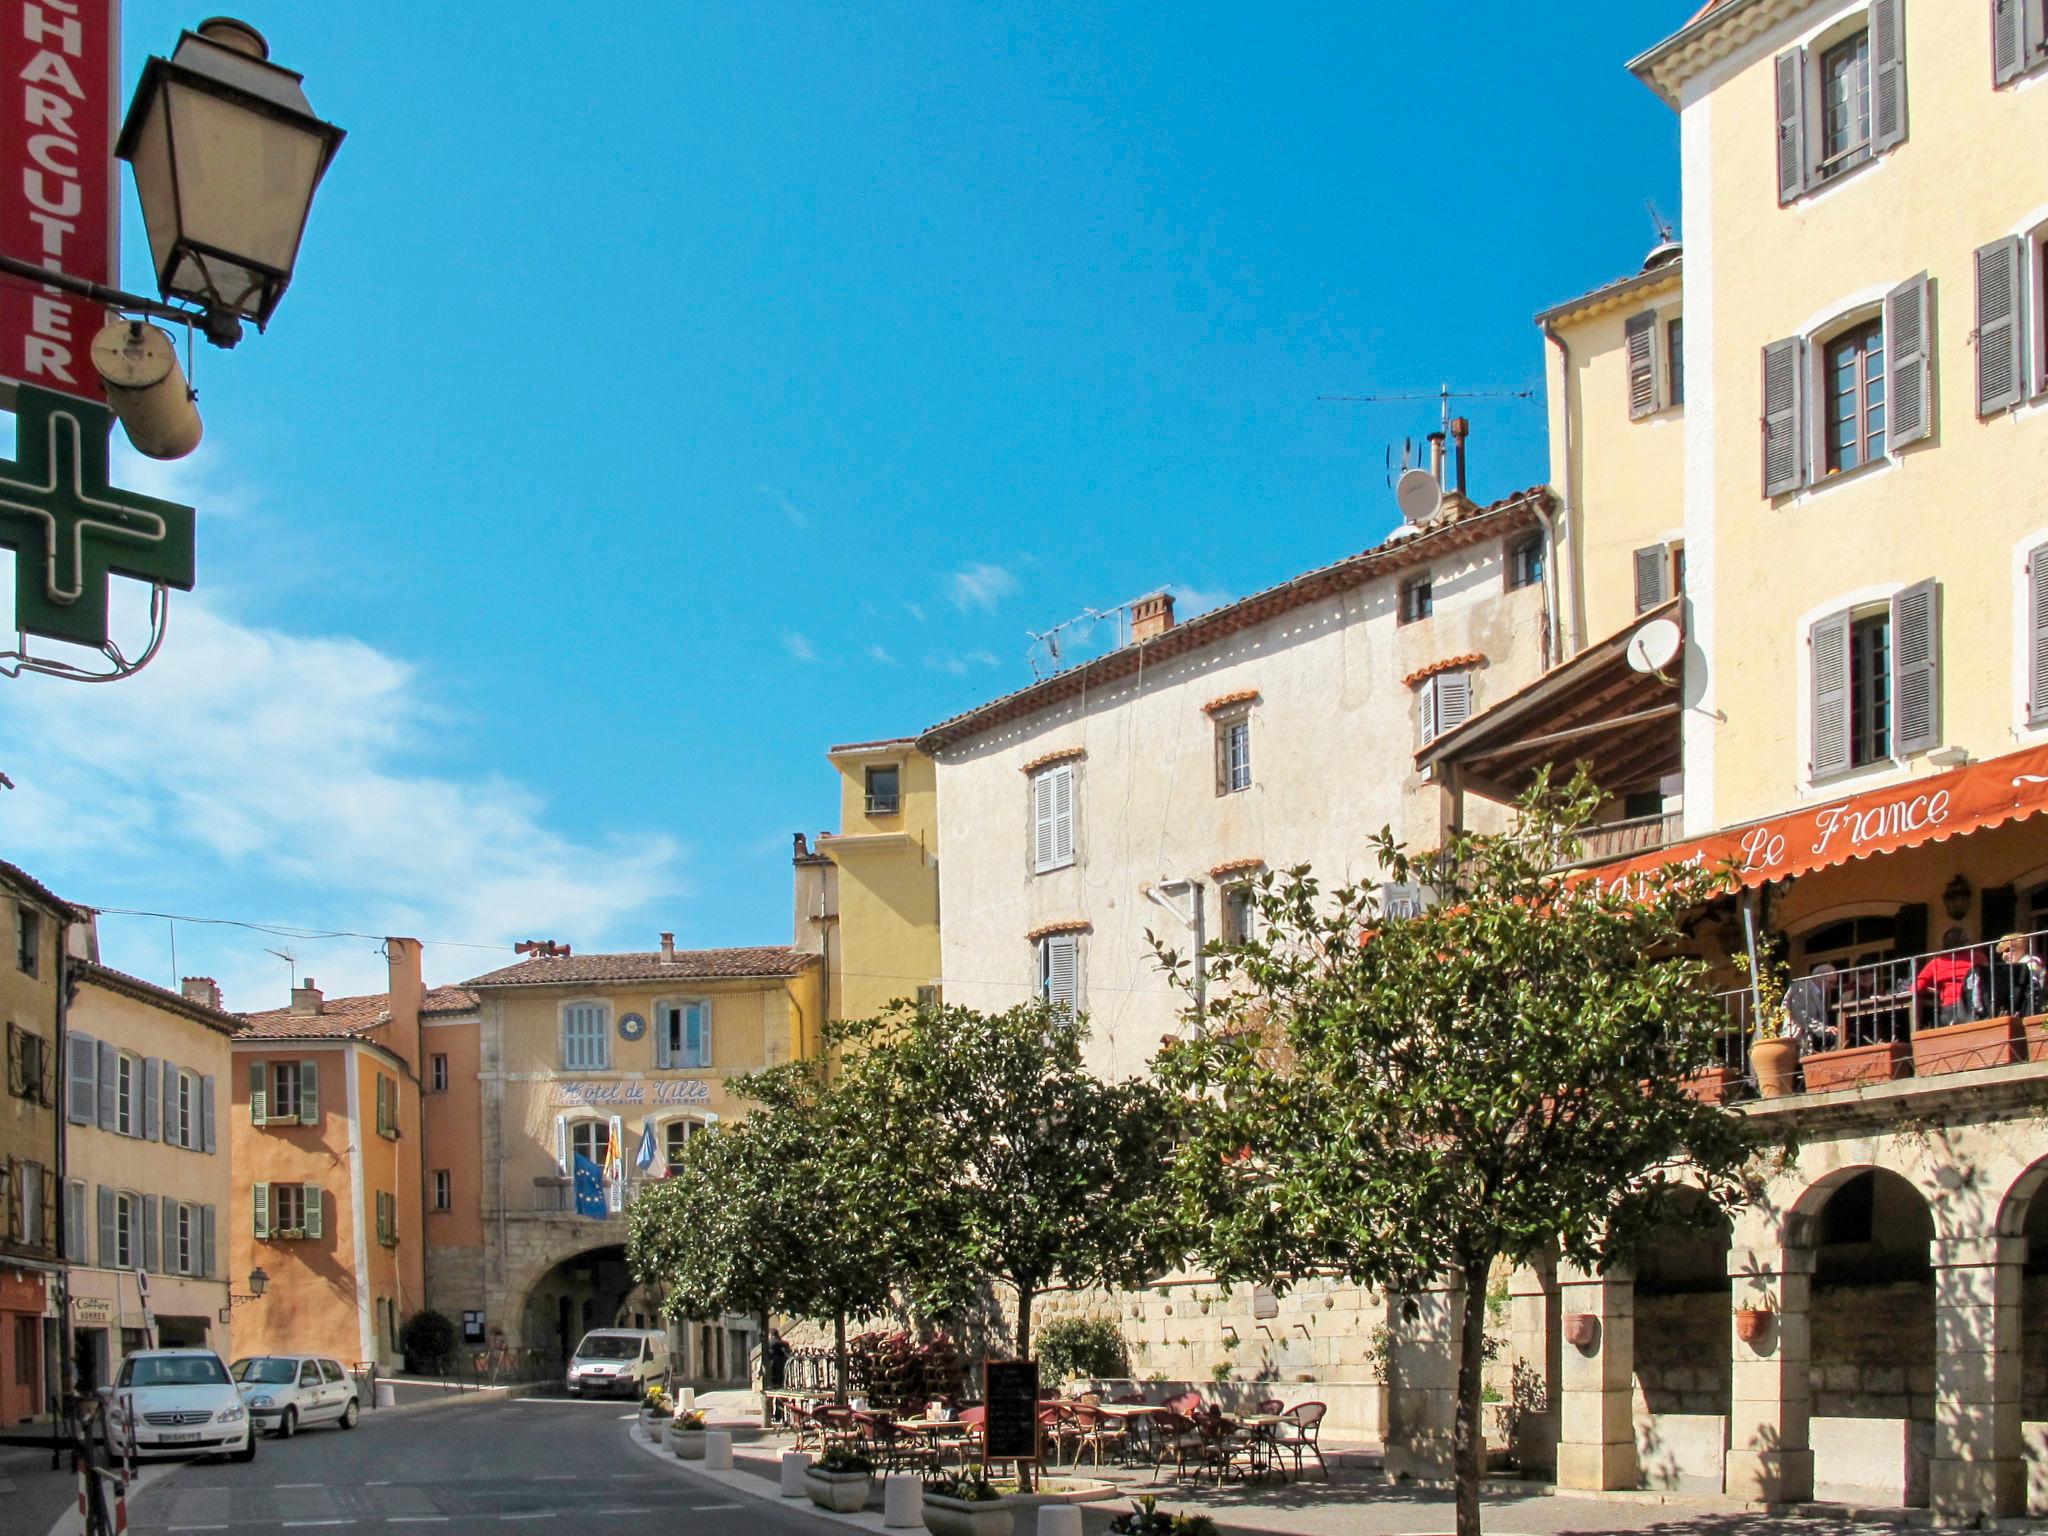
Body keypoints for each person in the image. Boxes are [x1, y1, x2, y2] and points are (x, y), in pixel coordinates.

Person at [1913, 926, 1978, 1026]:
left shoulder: (1937, 963)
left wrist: (1933, 990)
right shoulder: (1977, 958)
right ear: (1966, 941)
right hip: (1975, 1006)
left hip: (1950, 1008)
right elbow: (1988, 977)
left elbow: (1917, 986)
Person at [1997, 932, 2046, 1020]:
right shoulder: (2009, 969)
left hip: (2029, 1008)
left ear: (2022, 948)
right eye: (2002, 952)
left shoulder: (2031, 961)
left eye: (2008, 949)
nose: (2004, 955)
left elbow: (2032, 987)